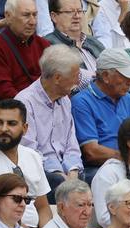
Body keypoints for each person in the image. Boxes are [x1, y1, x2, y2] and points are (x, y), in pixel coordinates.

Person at [17, 46, 85, 192]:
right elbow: (29, 150)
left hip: (66, 171)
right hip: (41, 172)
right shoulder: (25, 102)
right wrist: (59, 174)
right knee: (58, 184)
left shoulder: (65, 100)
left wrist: (72, 171)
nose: (78, 82)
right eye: (75, 76)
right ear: (57, 78)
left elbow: (71, 144)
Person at [0, 0, 50, 113]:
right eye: (26, 15)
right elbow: (4, 91)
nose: (33, 21)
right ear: (8, 16)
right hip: (10, 112)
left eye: (35, 15)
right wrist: (36, 107)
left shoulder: (44, 45)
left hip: (43, 109)